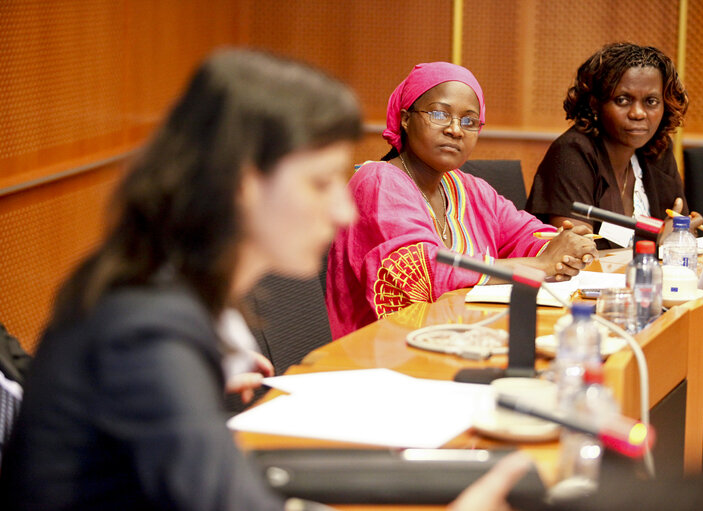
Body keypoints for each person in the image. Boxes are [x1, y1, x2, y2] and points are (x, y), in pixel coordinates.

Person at [0, 49, 543, 511]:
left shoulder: (172, 290)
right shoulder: (144, 331)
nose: (344, 212)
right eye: (320, 183)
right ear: (243, 182)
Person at [326, 62, 597, 339]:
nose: (455, 130)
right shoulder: (379, 181)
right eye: (440, 114)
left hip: (459, 337)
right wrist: (541, 265)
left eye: (469, 121)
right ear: (406, 118)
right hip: (381, 353)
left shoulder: (466, 187)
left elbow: (525, 233)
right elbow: (421, 273)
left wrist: (564, 246)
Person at [526, 42, 703, 248]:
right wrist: (659, 244)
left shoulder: (657, 148)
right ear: (595, 103)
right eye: (622, 100)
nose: (638, 113)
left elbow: (676, 227)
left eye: (651, 101)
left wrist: (682, 232)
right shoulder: (572, 154)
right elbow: (574, 253)